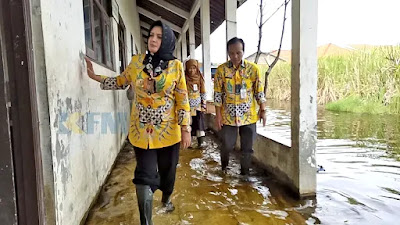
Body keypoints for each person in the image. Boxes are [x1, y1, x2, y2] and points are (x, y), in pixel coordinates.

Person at [85, 20, 191, 225]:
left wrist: (186, 128)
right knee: (144, 177)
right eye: (152, 35)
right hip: (142, 132)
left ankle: (166, 197)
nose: (153, 39)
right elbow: (120, 81)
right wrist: (94, 77)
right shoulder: (136, 63)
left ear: (167, 40)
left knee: (168, 176)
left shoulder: (176, 67)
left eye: (159, 37)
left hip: (169, 133)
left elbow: (182, 99)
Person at [213, 37, 267, 175]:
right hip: (228, 116)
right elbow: (218, 94)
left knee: (247, 148)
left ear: (243, 51)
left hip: (249, 115)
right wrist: (218, 115)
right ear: (228, 53)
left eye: (238, 53)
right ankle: (224, 168)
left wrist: (263, 110)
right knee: (226, 145)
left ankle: (245, 174)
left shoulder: (253, 69)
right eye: (231, 53)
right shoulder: (221, 70)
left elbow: (259, 91)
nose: (235, 56)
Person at [184, 59, 207, 148]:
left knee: (199, 123)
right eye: (190, 68)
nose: (192, 70)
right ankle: (189, 143)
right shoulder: (184, 79)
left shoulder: (200, 78)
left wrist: (203, 104)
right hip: (187, 107)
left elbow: (203, 92)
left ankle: (200, 142)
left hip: (197, 107)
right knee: (188, 123)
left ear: (197, 68)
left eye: (194, 68)